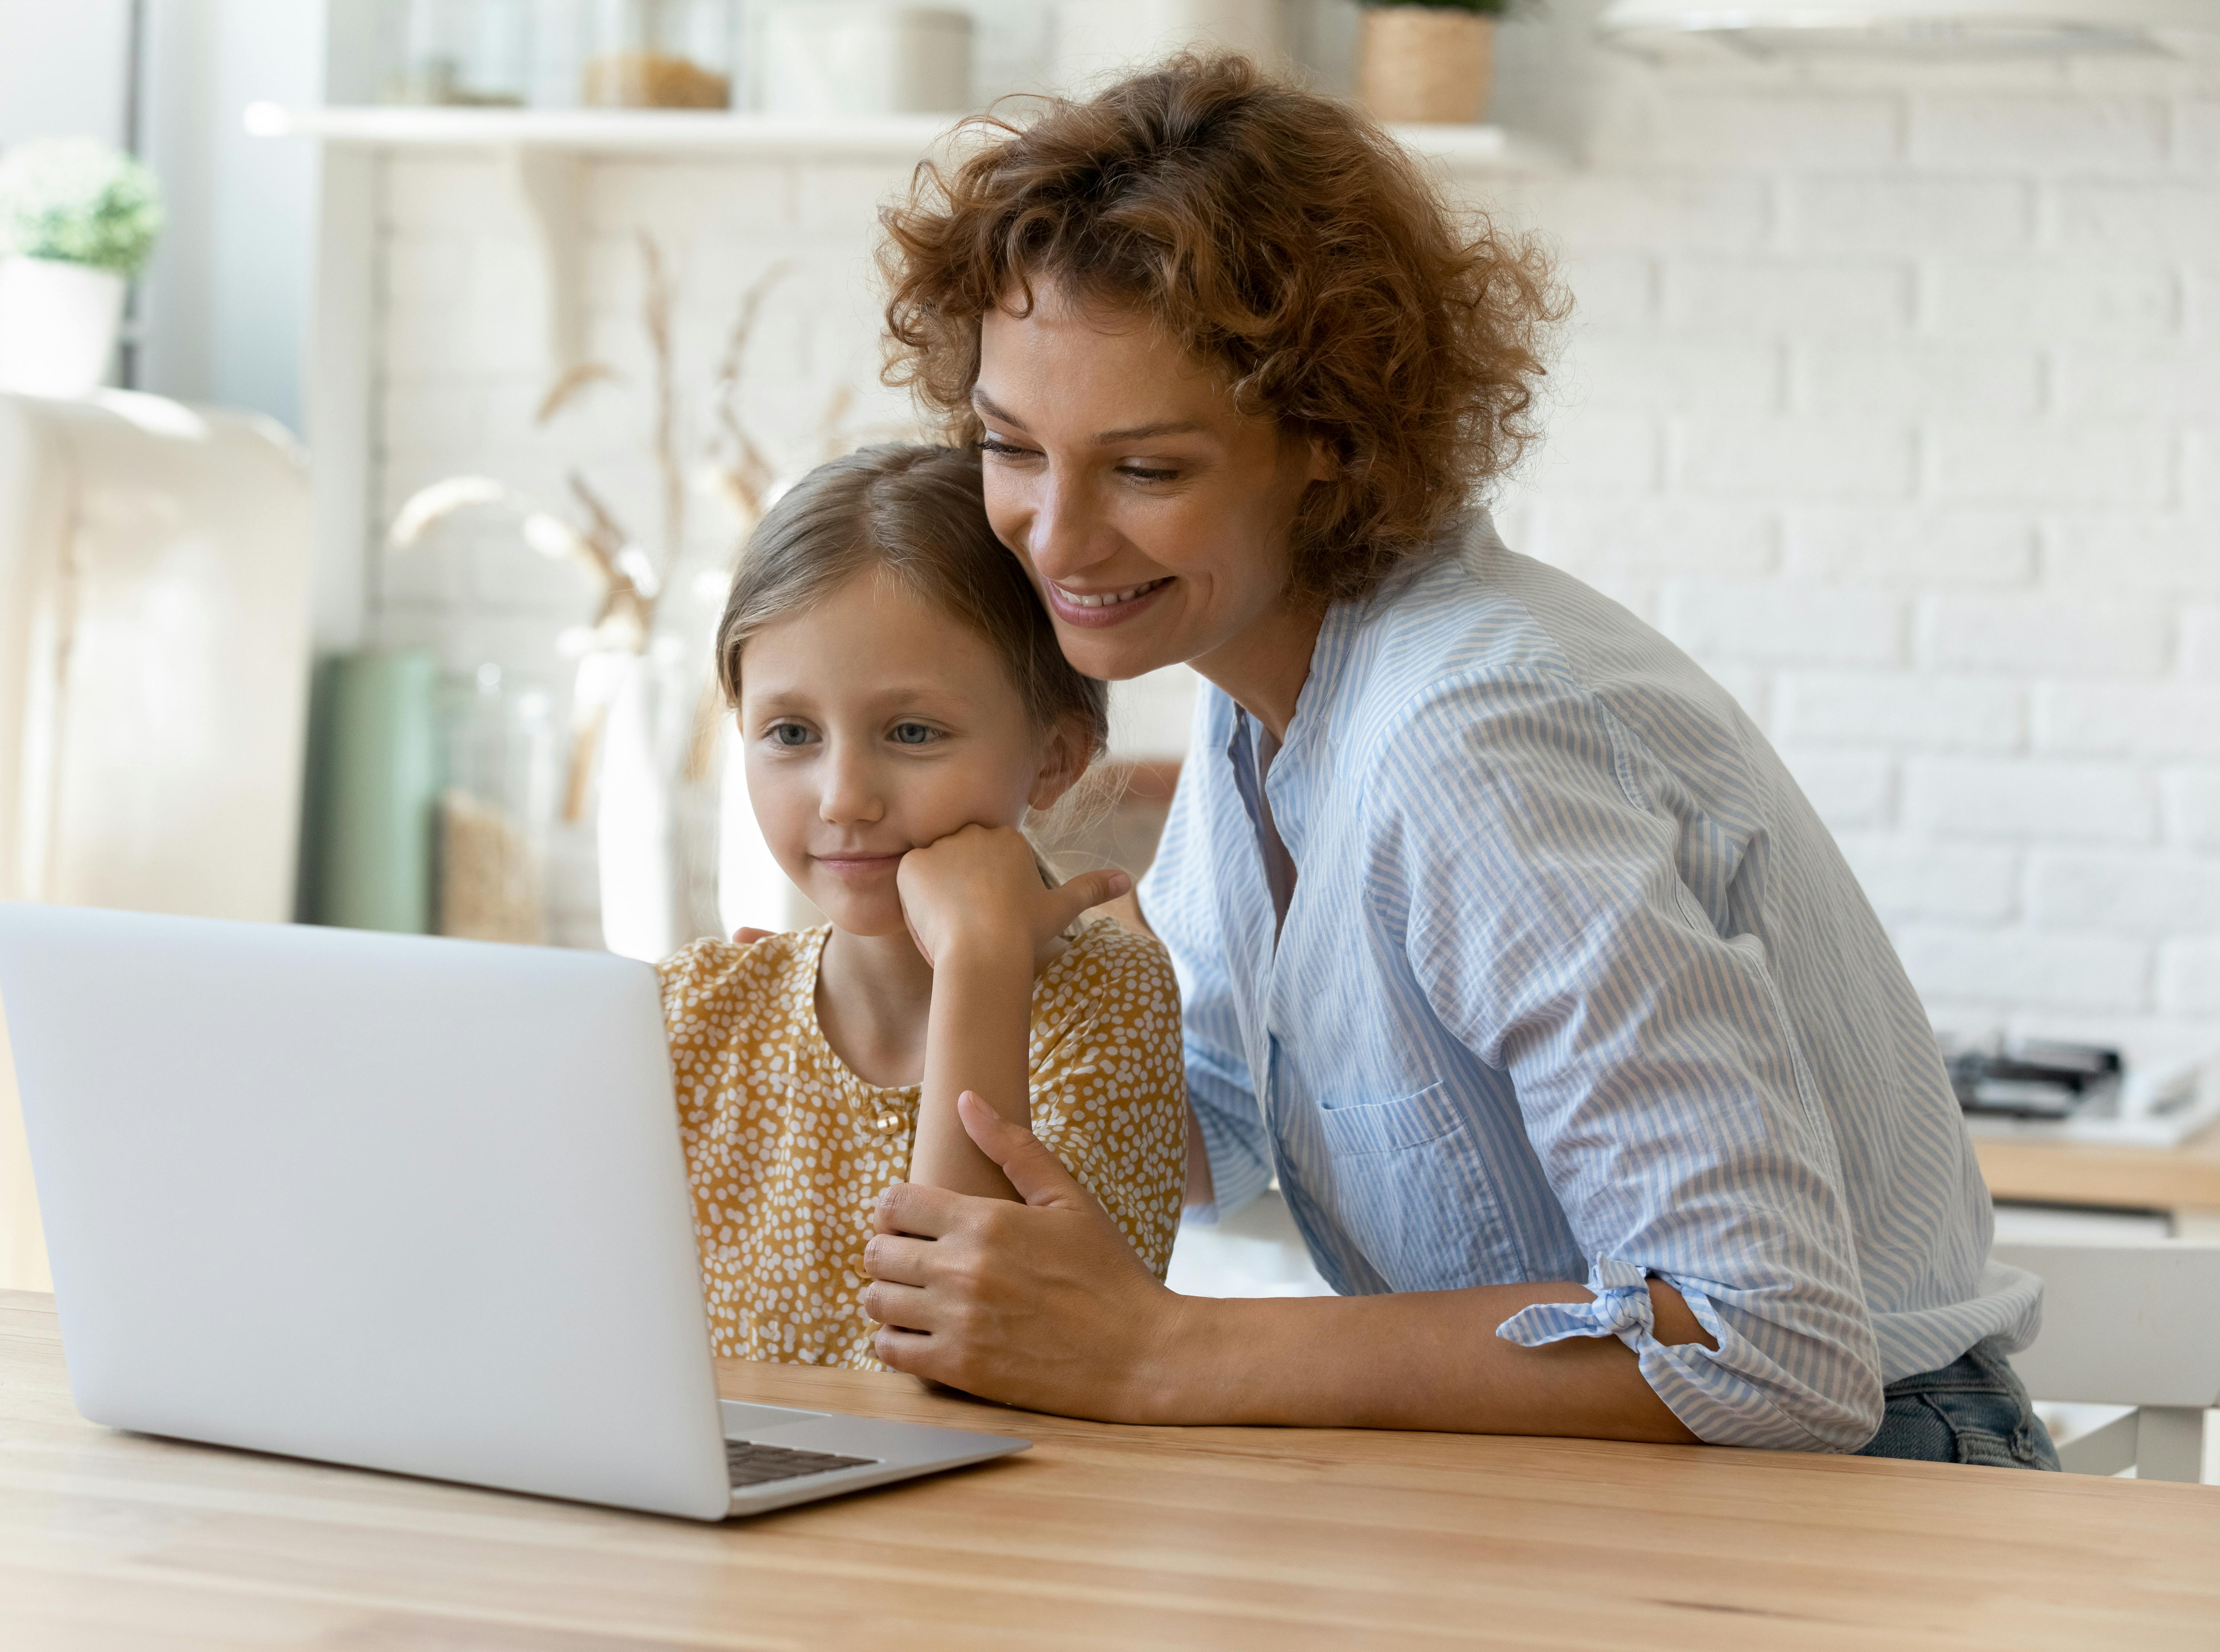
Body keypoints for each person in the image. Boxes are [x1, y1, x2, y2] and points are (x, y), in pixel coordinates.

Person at [851, 55, 2055, 1466]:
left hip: (1865, 1498)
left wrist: (1165, 1352)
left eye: (1147, 470)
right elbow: (1215, 1137)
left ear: (1326, 438)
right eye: (1011, 449)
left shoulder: (1464, 738)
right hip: (1588, 1499)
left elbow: (1767, 1345)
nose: (1055, 537)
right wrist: (968, 968)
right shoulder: (1265, 704)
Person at [658, 442, 1186, 1369]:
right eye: (790, 733)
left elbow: (964, 1362)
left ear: (1056, 758)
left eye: (911, 732)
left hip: (982, 1515)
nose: (842, 796)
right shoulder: (694, 1009)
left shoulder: (1108, 1006)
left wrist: (983, 958)